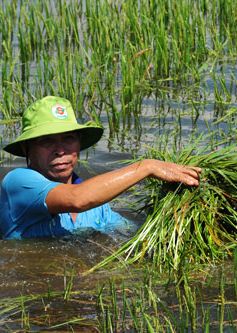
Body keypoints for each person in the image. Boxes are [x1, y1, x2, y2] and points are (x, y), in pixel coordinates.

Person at [0, 96, 201, 240]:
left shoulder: (98, 206)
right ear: (28, 149)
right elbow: (76, 198)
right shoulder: (18, 182)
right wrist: (146, 166)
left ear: (79, 144)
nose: (60, 150)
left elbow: (131, 235)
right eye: (47, 141)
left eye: (68, 139)